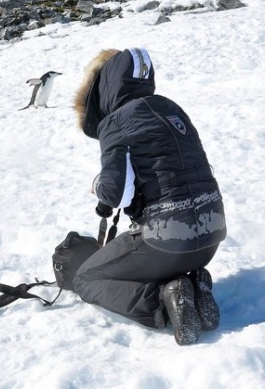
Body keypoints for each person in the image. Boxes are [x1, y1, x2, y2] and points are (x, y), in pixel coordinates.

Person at [72, 47, 227, 345]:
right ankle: (194, 284)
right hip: (210, 238)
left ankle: (162, 302)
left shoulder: (115, 122)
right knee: (150, 257)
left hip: (166, 242)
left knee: (86, 278)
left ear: (106, 85)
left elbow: (116, 193)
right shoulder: (171, 108)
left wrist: (98, 185)